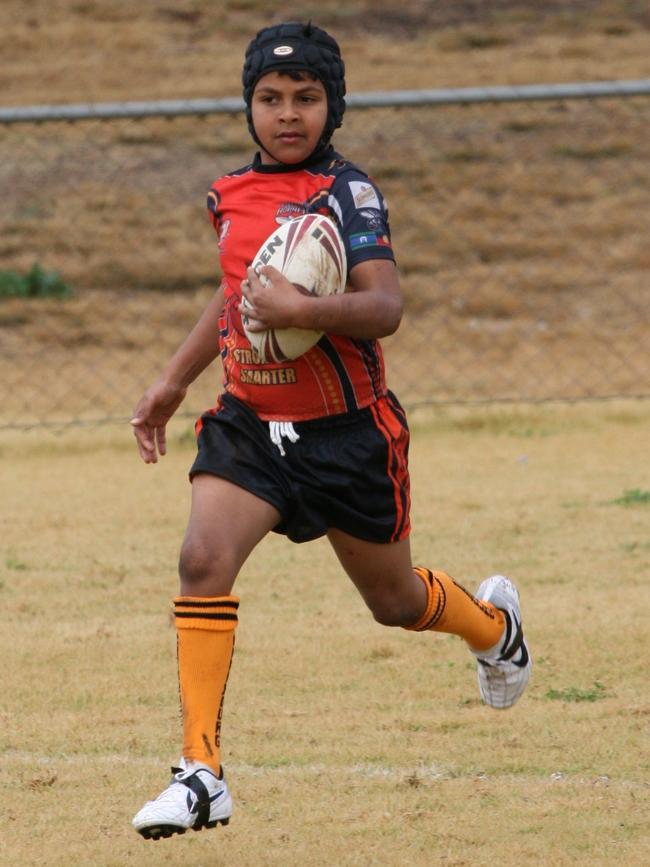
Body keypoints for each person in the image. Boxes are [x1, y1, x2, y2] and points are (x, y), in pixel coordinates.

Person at [130, 21, 531, 841]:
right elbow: (233, 293)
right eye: (270, 98)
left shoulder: (350, 194)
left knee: (395, 601)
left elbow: (385, 306)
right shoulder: (228, 194)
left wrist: (303, 310)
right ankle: (201, 770)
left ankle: (495, 629)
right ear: (249, 106)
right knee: (202, 558)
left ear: (332, 106)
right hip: (249, 423)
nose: (286, 114)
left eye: (305, 98)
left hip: (348, 437)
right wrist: (173, 382)